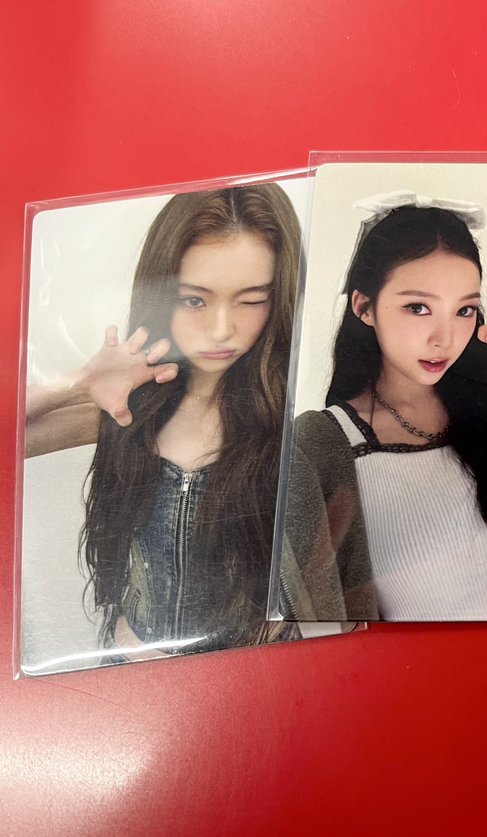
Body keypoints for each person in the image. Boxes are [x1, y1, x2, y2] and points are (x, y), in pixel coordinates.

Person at [24, 183, 303, 656]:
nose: (221, 330)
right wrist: (79, 381)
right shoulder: (127, 410)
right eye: (194, 300)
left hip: (255, 672)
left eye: (251, 299)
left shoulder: (295, 421)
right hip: (136, 668)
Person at [279, 195, 487, 621]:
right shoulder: (319, 447)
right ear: (364, 307)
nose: (445, 338)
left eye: (464, 310)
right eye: (418, 308)